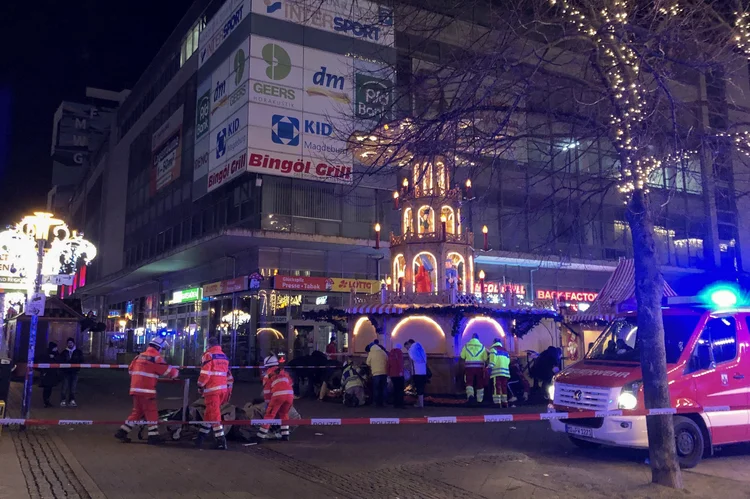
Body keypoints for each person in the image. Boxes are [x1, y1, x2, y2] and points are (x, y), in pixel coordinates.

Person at [114, 336, 178, 444]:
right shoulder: (156, 358)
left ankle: (122, 431)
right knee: (151, 413)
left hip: (135, 389)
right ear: (159, 348)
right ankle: (153, 437)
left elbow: (130, 370)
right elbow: (170, 372)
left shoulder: (139, 357)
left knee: (137, 412)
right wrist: (176, 373)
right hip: (147, 391)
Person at [195, 336, 233, 450]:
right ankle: (201, 437)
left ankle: (221, 440)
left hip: (212, 390)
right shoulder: (223, 356)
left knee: (215, 415)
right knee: (209, 414)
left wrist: (200, 385)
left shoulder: (208, 355)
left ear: (209, 345)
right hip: (222, 389)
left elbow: (205, 373)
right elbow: (227, 374)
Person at [257, 354, 294, 441]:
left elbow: (267, 392)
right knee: (284, 414)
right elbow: (291, 384)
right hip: (290, 395)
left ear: (267, 366)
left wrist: (268, 403)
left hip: (278, 396)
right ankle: (285, 435)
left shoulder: (268, 375)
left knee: (269, 415)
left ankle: (260, 436)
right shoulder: (284, 373)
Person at [460, 334, 488, 403]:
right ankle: (479, 399)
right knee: (480, 382)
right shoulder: (482, 346)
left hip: (469, 367)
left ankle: (470, 397)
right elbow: (485, 358)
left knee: (469, 382)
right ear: (478, 339)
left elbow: (462, 356)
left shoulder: (466, 346)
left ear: (471, 338)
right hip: (480, 367)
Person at [60, 337, 83, 407]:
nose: (70, 344)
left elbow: (81, 360)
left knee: (73, 387)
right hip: (66, 372)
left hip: (75, 372)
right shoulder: (64, 352)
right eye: (68, 343)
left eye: (71, 343)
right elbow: (61, 360)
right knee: (65, 386)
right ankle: (63, 400)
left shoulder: (78, 352)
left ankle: (72, 400)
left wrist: (74, 362)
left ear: (73, 343)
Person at [488, 338, 511, 407]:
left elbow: (492, 361)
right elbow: (508, 361)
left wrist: (488, 368)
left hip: (496, 372)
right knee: (504, 387)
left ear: (494, 342)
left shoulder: (493, 349)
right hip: (505, 372)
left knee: (497, 387)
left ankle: (497, 403)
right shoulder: (505, 351)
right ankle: (505, 402)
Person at [405, 339, 427, 408]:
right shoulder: (420, 347)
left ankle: (420, 404)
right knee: (421, 387)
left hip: (417, 372)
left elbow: (411, 361)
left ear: (409, 343)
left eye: (406, 347)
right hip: (423, 371)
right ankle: (421, 403)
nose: (407, 349)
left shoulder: (411, 350)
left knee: (418, 388)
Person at [366, 339, 388, 407]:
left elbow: (368, 363)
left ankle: (376, 403)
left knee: (376, 388)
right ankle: (384, 402)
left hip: (376, 373)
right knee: (383, 388)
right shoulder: (382, 352)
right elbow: (387, 359)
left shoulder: (371, 353)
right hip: (384, 372)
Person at [40, 342, 60, 408]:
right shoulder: (46, 354)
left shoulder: (56, 354)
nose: (56, 349)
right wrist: (44, 372)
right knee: (46, 388)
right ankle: (45, 401)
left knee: (50, 388)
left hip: (53, 373)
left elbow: (59, 360)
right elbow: (43, 362)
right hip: (47, 373)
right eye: (55, 347)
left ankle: (47, 401)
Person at [387, 343, 405, 408]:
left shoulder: (390, 354)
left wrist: (388, 373)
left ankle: (395, 404)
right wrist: (401, 371)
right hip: (399, 374)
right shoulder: (399, 352)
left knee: (395, 389)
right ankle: (401, 404)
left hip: (392, 374)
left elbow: (388, 364)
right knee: (400, 389)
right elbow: (400, 363)